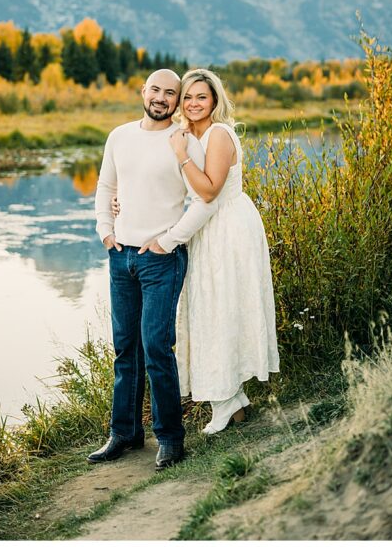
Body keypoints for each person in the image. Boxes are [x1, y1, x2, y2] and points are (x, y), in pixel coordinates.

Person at [90, 69, 218, 471]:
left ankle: (170, 438)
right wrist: (105, 231)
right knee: (125, 348)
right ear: (143, 91)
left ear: (178, 101)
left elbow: (205, 199)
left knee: (156, 348)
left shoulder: (183, 142)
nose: (162, 98)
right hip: (120, 256)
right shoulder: (119, 136)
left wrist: (170, 239)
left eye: (171, 93)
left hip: (161, 260)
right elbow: (105, 187)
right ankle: (124, 434)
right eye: (156, 90)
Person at [168, 68, 280, 434]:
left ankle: (224, 398)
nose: (193, 103)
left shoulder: (218, 133)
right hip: (209, 229)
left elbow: (209, 190)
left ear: (214, 99)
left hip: (229, 229)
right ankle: (233, 400)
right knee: (212, 307)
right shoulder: (189, 134)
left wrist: (182, 156)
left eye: (201, 96)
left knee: (221, 308)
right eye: (187, 97)